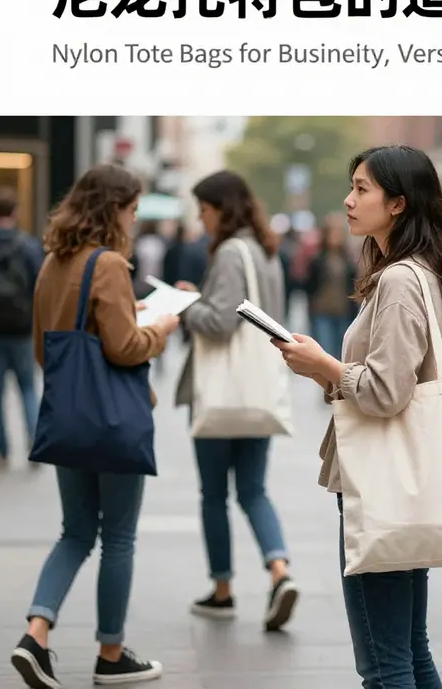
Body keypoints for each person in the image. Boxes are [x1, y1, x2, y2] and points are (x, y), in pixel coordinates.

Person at [273, 144, 442, 689]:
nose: (348, 199)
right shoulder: (418, 272)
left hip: (380, 480)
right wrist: (323, 371)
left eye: (362, 189)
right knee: (410, 648)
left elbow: (386, 392)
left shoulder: (402, 280)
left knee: (384, 665)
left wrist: (326, 365)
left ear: (399, 204)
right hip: (404, 477)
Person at [10, 163, 180, 688]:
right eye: (131, 210)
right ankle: (110, 654)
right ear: (114, 210)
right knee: (119, 538)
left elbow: (45, 350)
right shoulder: (107, 263)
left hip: (69, 420)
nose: (133, 220)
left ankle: (35, 634)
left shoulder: (52, 262)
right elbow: (124, 347)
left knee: (75, 532)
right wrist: (162, 328)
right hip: (112, 425)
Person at [174, 170, 300, 631]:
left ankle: (223, 590)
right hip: (257, 388)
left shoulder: (230, 251)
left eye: (204, 210)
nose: (201, 219)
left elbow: (222, 322)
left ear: (220, 209)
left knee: (214, 494)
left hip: (222, 392)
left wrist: (187, 301)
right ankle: (279, 569)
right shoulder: (266, 249)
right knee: (253, 489)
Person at [0, 186, 44, 466]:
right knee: (28, 388)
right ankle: (35, 444)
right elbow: (41, 286)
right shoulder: (27, 245)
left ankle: (2, 450)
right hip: (22, 329)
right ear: (15, 212)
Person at [304, 218, 358, 360]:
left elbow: (352, 286)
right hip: (323, 311)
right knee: (325, 352)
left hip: (343, 311)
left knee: (342, 352)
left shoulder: (348, 260)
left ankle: (337, 382)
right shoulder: (318, 260)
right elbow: (309, 286)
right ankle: (326, 382)